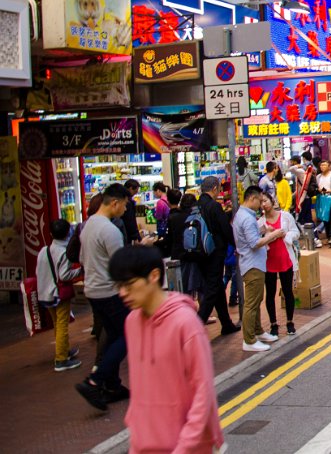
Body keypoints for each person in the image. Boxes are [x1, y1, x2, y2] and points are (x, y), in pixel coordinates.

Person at [110, 245, 224, 453]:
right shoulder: (132, 322)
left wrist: (185, 447)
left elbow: (203, 392)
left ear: (154, 276)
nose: (122, 293)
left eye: (129, 284)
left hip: (188, 447)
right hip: (145, 446)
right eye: (119, 286)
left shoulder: (186, 323)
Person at [76, 184, 140, 410]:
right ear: (115, 203)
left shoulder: (88, 225)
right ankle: (94, 381)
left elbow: (82, 258)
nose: (125, 209)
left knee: (113, 336)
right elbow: (121, 265)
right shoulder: (110, 230)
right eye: (125, 205)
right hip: (110, 291)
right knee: (128, 334)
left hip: (93, 291)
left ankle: (112, 385)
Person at [233, 186, 283, 352]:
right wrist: (273, 235)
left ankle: (258, 331)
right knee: (252, 303)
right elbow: (254, 243)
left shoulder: (244, 215)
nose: (261, 205)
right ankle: (249, 339)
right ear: (252, 198)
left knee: (256, 300)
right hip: (252, 264)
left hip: (253, 263)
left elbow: (251, 236)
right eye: (260, 201)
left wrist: (263, 230)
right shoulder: (247, 218)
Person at [36, 218, 83, 371]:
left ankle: (63, 350)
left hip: (45, 293)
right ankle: (61, 359)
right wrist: (80, 271)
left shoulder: (44, 250)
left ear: (51, 234)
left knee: (57, 323)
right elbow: (64, 275)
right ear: (68, 233)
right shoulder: (64, 252)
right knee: (62, 324)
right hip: (59, 293)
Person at [196, 177, 240, 333]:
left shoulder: (196, 205)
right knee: (213, 289)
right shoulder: (214, 206)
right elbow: (225, 229)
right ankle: (194, 326)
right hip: (215, 252)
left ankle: (226, 324)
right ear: (215, 188)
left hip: (200, 253)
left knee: (217, 286)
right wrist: (236, 245)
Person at [259, 193, 299, 337]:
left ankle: (290, 322)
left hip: (285, 259)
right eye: (261, 202)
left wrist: (286, 235)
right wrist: (268, 234)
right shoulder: (260, 222)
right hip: (269, 261)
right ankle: (273, 324)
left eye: (265, 201)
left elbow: (296, 232)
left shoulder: (285, 216)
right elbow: (258, 240)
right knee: (270, 294)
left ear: (272, 200)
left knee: (288, 291)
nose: (264, 204)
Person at [122, 179, 142, 244]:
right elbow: (130, 220)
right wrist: (136, 236)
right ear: (130, 188)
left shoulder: (124, 200)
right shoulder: (128, 202)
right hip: (127, 234)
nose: (137, 192)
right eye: (136, 190)